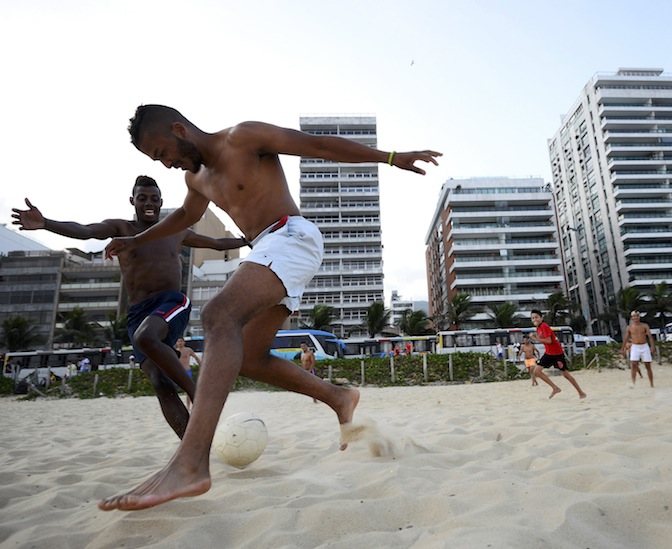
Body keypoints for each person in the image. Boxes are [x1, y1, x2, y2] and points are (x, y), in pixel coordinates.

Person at [99, 104, 440, 511]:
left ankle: (190, 464)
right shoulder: (196, 179)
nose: (166, 163)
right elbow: (184, 220)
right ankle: (338, 398)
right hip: (269, 249)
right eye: (157, 160)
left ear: (179, 129)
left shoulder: (242, 138)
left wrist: (388, 157)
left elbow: (317, 145)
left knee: (217, 316)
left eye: (162, 152)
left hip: (291, 236)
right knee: (248, 356)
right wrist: (135, 242)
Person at [12, 176, 244, 437]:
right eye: (143, 198)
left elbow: (217, 243)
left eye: (154, 199)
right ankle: (192, 443)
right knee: (159, 381)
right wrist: (45, 223)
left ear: (161, 203)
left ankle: (198, 393)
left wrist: (248, 240)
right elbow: (86, 230)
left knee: (146, 337)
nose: (149, 203)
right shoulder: (121, 228)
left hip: (171, 303)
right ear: (132, 200)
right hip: (138, 314)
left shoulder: (175, 230)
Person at [528, 310, 586, 399]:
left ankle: (581, 393)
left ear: (541, 318)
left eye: (536, 317)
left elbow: (549, 340)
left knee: (566, 374)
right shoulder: (539, 328)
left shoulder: (544, 326)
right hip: (549, 353)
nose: (534, 319)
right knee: (536, 371)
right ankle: (555, 388)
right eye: (532, 318)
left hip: (557, 353)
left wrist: (535, 339)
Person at [621, 310, 656, 387]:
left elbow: (650, 336)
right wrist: (622, 348)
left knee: (647, 365)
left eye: (637, 316)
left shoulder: (644, 326)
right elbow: (626, 338)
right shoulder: (629, 327)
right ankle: (633, 383)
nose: (635, 317)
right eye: (634, 316)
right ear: (632, 318)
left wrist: (652, 346)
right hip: (635, 346)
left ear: (639, 317)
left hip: (644, 346)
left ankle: (651, 383)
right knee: (633, 364)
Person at [175, 337, 202, 410]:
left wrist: (201, 365)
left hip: (187, 371)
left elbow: (196, 358)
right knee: (173, 389)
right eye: (178, 341)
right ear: (176, 343)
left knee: (188, 390)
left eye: (181, 341)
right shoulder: (174, 351)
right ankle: (177, 406)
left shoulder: (188, 350)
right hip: (178, 372)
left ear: (184, 342)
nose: (180, 343)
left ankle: (188, 406)